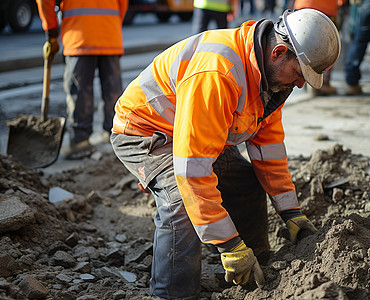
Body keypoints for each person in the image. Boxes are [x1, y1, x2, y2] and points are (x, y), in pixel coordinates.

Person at [111, 8, 340, 299]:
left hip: (196, 132)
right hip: (145, 132)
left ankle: (257, 267)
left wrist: (290, 211)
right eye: (298, 73)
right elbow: (190, 170)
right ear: (278, 52)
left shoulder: (270, 80)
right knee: (180, 200)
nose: (298, 84)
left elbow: (268, 149)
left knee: (246, 182)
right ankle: (172, 293)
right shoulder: (218, 72)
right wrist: (229, 245)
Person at [36, 0, 128, 159]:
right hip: (109, 31)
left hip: (78, 33)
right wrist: (111, 22)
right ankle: (116, 136)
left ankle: (80, 142)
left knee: (80, 90)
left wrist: (51, 30)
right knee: (113, 89)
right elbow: (123, 3)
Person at [293, 0, 339, 95]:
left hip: (303, 5)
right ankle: (322, 83)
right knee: (327, 45)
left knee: (302, 43)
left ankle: (306, 78)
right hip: (325, 6)